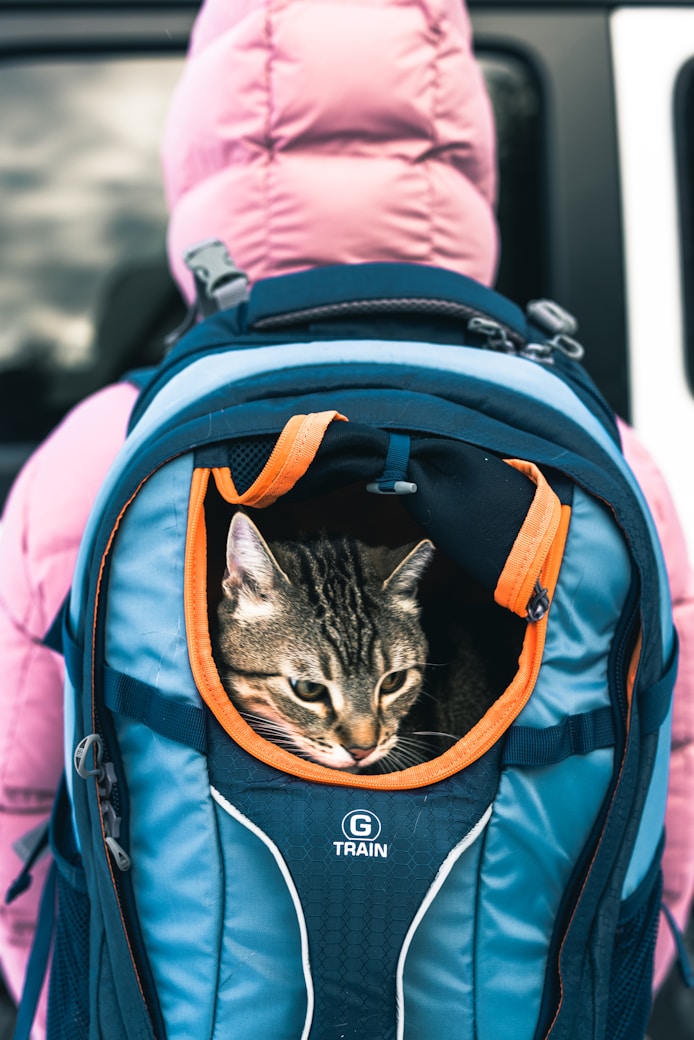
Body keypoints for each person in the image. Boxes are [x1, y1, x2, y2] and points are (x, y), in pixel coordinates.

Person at [0, 0, 692, 1035]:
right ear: (468, 162)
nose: (366, 739)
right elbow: (668, 812)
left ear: (199, 161)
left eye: (388, 693)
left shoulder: (101, 442)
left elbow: (17, 811)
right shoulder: (616, 455)